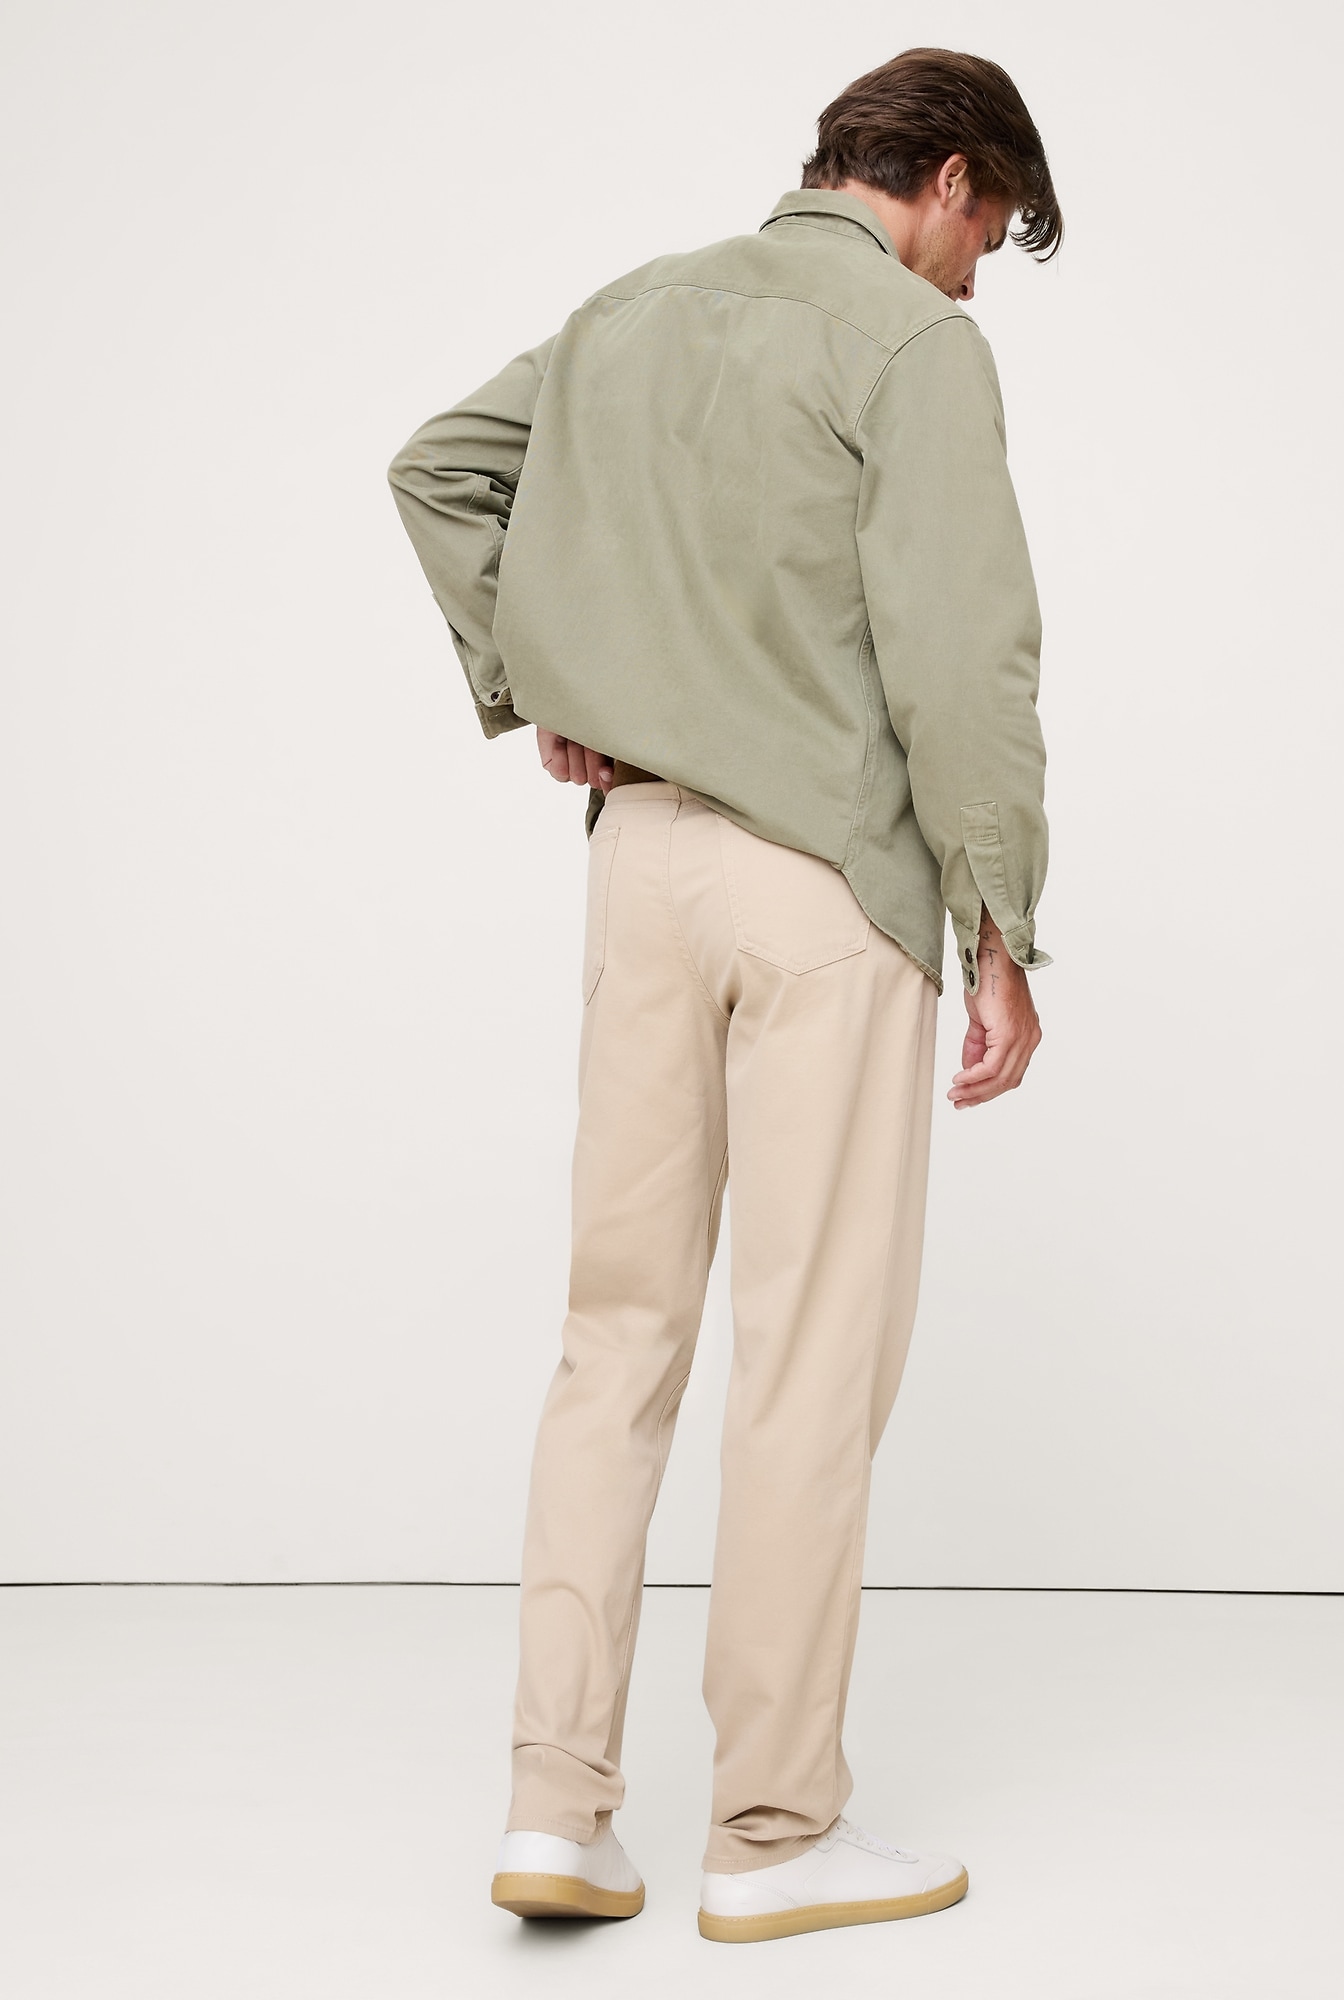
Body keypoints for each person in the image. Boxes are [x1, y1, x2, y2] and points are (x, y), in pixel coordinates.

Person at [388, 44, 1061, 1946]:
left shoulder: (630, 312)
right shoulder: (912, 348)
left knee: (614, 1341)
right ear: (945, 177)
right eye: (991, 232)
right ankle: (772, 1831)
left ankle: (557, 1813)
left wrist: (546, 678)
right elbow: (964, 658)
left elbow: (438, 467)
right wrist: (1000, 922)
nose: (978, 278)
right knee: (806, 1359)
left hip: (643, 875)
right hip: (822, 885)